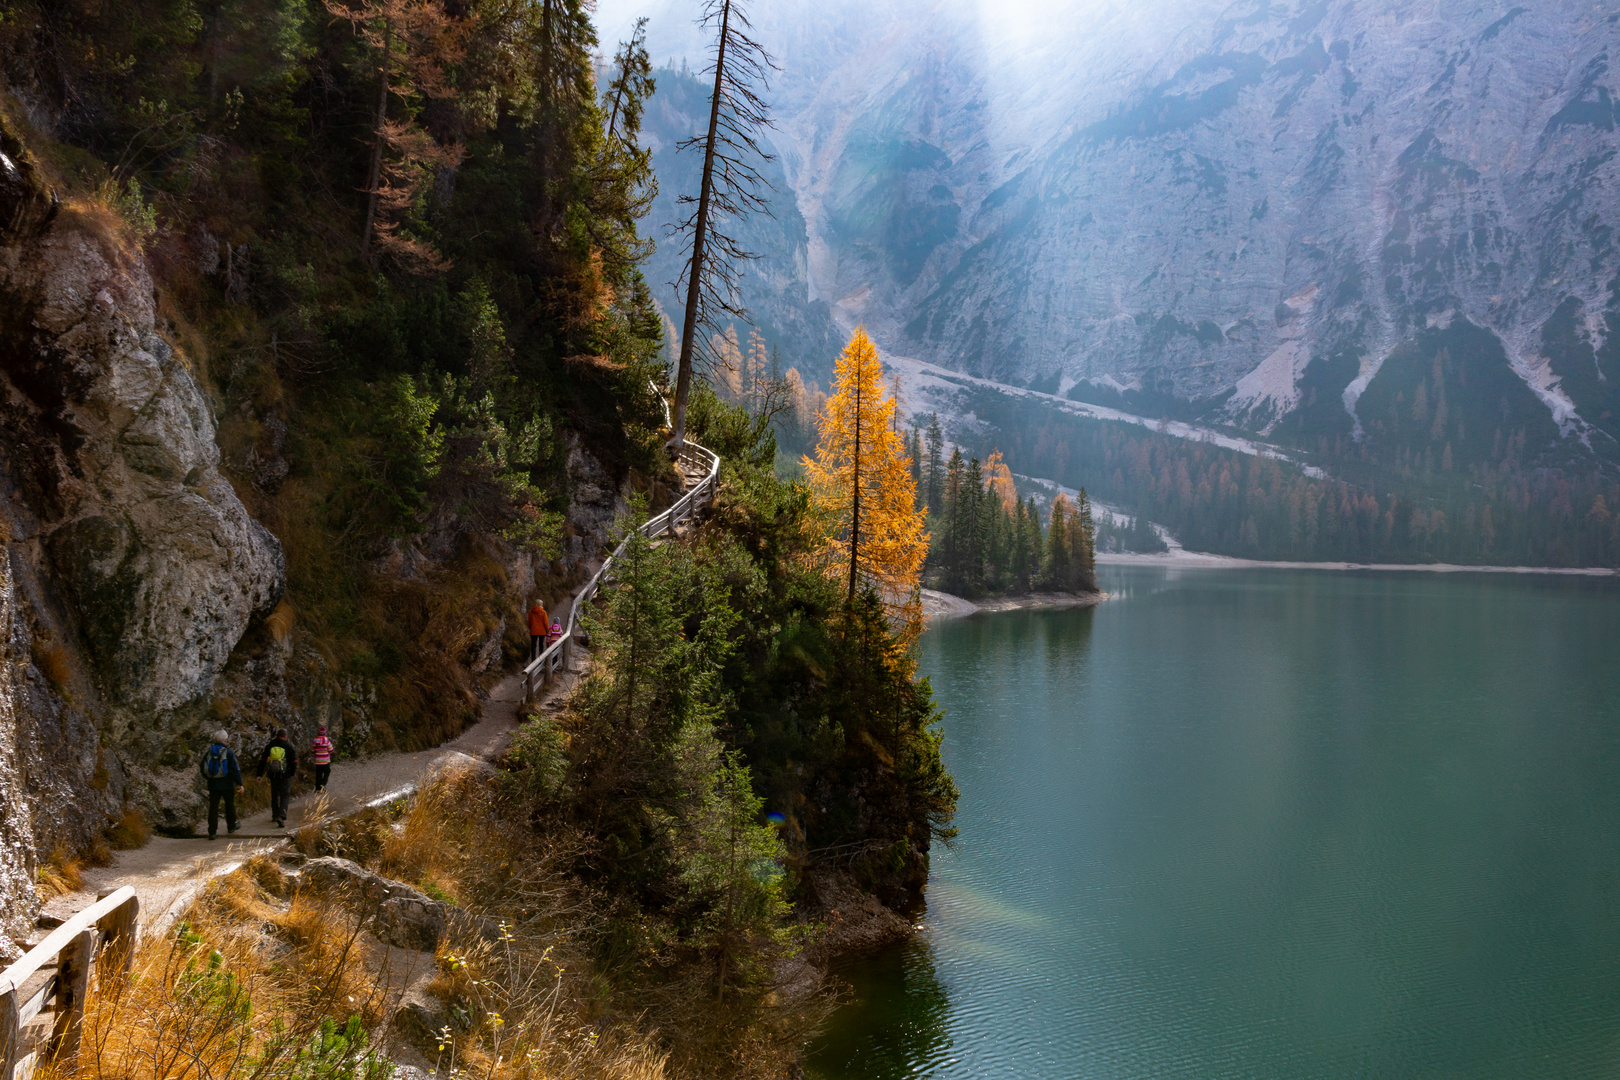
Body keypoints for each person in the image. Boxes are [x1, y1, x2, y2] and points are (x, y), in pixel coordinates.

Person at [198, 730, 243, 841]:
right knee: (229, 805)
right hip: (227, 784)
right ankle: (231, 826)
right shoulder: (229, 752)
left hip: (213, 785)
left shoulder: (209, 752)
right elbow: (235, 769)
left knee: (213, 808)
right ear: (225, 740)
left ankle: (212, 832)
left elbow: (203, 767)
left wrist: (209, 779)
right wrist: (239, 783)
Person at [256, 727, 299, 827]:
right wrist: (292, 773)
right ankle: (282, 815)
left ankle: (275, 815)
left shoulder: (271, 745)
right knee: (285, 795)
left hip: (273, 774)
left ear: (276, 736)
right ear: (285, 736)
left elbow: (262, 760)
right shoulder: (289, 746)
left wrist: (259, 774)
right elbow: (294, 762)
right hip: (285, 775)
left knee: (274, 794)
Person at [310, 725, 334, 792]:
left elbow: (312, 751)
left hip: (317, 760)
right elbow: (331, 750)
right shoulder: (326, 740)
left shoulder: (315, 740)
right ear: (325, 733)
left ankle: (317, 788)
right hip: (325, 761)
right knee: (327, 772)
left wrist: (317, 752)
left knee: (318, 774)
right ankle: (323, 784)